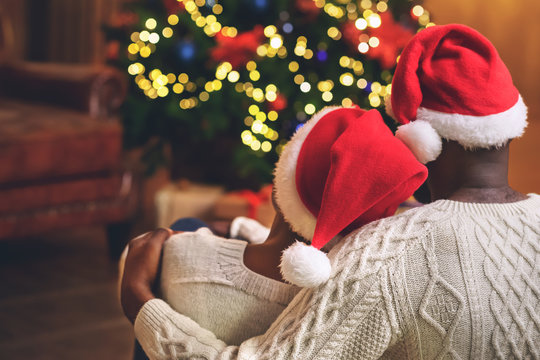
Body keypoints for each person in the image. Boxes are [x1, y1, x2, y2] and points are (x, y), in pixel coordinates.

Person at [121, 24, 540, 359]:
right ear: (509, 129)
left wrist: (141, 303)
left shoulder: (392, 250)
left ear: (422, 138)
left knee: (184, 229)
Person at [136, 106, 427, 352]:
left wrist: (137, 295)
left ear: (279, 186)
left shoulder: (179, 255)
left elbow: (136, 258)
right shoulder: (341, 307)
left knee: (184, 227)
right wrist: (241, 227)